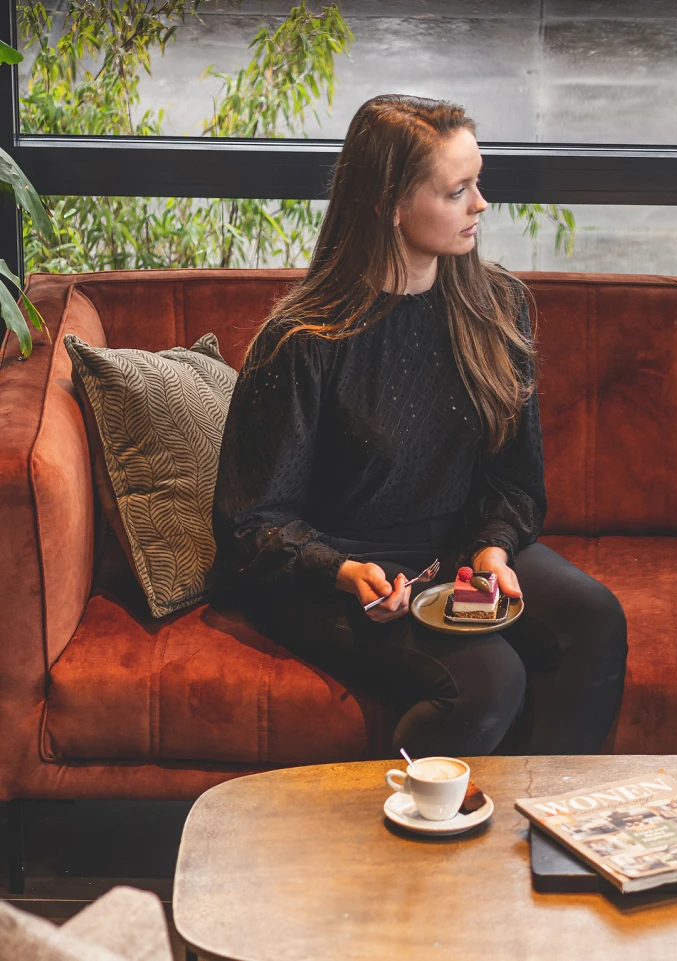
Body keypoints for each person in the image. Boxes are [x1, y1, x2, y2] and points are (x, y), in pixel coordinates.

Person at [213, 95, 628, 758]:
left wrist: (493, 550)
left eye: (477, 182)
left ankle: (537, 817)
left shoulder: (497, 305)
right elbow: (250, 524)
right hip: (335, 575)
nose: (481, 204)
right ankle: (401, 823)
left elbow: (515, 481)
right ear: (390, 204)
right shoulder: (302, 341)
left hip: (458, 547)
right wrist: (344, 571)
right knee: (489, 683)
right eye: (457, 191)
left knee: (595, 619)